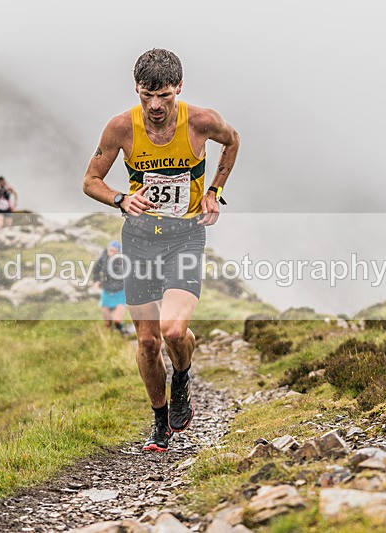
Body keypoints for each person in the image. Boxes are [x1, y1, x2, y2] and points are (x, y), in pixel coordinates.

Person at [82, 49, 239, 452]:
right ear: (136, 89)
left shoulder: (201, 121)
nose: (154, 106)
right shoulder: (120, 128)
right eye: (146, 95)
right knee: (148, 342)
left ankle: (183, 377)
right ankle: (159, 422)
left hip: (184, 237)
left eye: (164, 96)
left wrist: (214, 192)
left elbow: (233, 141)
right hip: (139, 240)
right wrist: (120, 199)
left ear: (178, 89)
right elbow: (90, 180)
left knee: (174, 331)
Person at [92, 241, 127, 333]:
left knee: (117, 320)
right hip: (106, 291)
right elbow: (96, 270)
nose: (112, 253)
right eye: (110, 250)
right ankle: (110, 338)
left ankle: (121, 332)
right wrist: (96, 281)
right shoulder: (103, 258)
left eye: (115, 251)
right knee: (107, 323)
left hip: (120, 292)